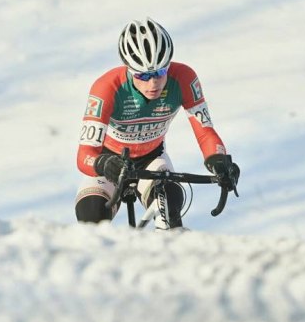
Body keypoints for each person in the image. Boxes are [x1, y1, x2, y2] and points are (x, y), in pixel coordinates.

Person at [74, 17, 240, 229]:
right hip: (110, 159)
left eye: (160, 72)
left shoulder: (183, 78)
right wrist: (103, 164)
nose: (153, 83)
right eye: (143, 75)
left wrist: (219, 160)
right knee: (92, 215)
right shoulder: (107, 87)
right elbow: (85, 154)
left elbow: (205, 131)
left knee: (169, 208)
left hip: (151, 158)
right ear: (128, 69)